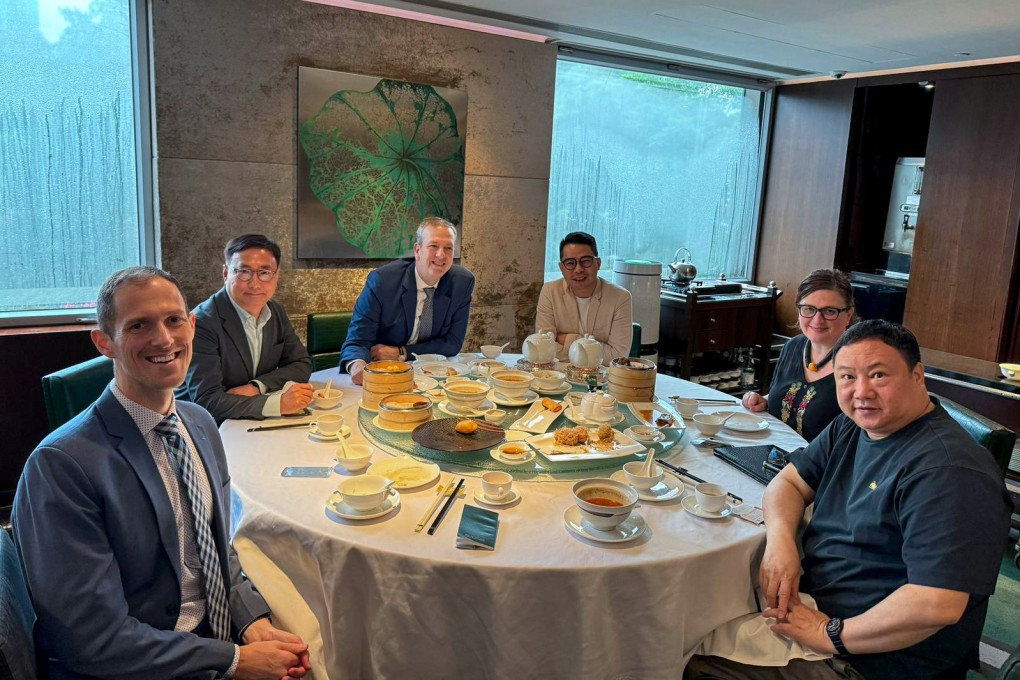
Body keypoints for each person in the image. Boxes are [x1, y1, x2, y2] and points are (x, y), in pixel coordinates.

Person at [13, 266, 311, 680]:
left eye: (174, 320)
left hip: (213, 637)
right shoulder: (61, 466)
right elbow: (91, 641)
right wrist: (233, 661)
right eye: (138, 325)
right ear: (105, 343)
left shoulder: (201, 423)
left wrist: (250, 622)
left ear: (192, 325)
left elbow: (215, 548)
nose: (164, 339)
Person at [687, 320, 1012, 680]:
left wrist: (828, 636)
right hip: (814, 602)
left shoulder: (950, 472)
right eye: (846, 377)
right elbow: (788, 483)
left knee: (687, 660)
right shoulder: (856, 425)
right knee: (688, 611)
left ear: (917, 375)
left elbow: (937, 605)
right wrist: (781, 545)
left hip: (868, 657)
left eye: (877, 375)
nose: (861, 392)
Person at [177, 234, 313, 423]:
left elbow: (301, 364)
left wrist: (257, 387)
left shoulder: (275, 310)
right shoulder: (202, 322)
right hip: (207, 428)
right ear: (226, 274)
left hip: (251, 420)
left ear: (276, 276)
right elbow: (207, 401)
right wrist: (277, 404)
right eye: (244, 271)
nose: (255, 284)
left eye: (264, 273)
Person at [340, 216, 474, 385]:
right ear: (417, 250)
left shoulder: (462, 283)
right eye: (433, 246)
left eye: (448, 248)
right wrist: (358, 367)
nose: (441, 255)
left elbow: (453, 343)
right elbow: (357, 341)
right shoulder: (383, 281)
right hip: (385, 375)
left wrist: (402, 352)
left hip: (432, 376)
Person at [741, 269, 854, 441]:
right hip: (773, 452)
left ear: (849, 314)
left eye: (829, 311)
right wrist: (765, 400)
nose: (817, 320)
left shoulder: (857, 365)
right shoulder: (793, 346)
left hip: (818, 466)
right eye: (809, 309)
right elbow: (791, 396)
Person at [535, 231, 633, 365]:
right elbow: (543, 348)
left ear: (598, 263)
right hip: (558, 377)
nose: (578, 269)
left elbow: (617, 357)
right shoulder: (550, 292)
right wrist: (592, 347)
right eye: (570, 263)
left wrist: (567, 340)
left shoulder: (620, 297)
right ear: (561, 267)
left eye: (585, 261)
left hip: (601, 380)